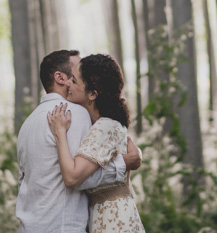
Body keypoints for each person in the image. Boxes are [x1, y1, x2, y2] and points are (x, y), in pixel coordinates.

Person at [16, 50, 142, 233]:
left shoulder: (27, 124)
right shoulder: (75, 114)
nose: (70, 82)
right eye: (72, 76)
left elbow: (27, 181)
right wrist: (124, 163)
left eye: (75, 80)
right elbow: (75, 177)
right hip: (64, 226)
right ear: (60, 77)